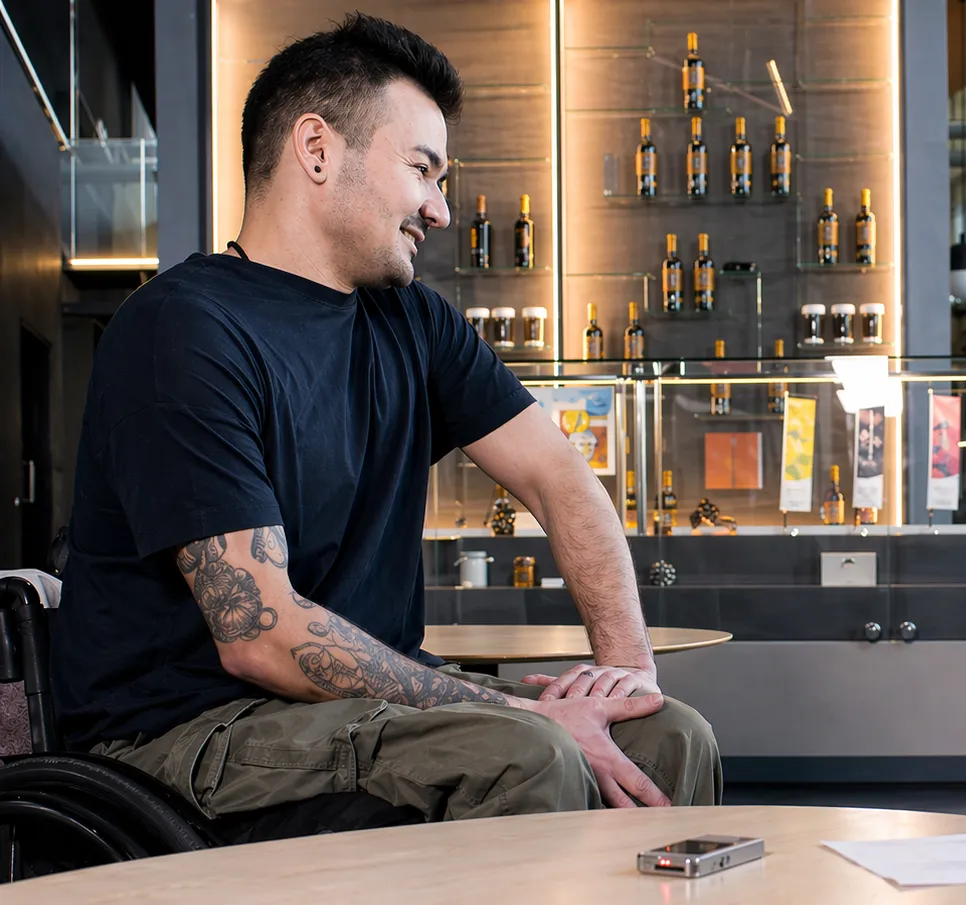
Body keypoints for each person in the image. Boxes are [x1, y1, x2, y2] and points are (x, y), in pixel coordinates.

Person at [50, 13, 719, 822]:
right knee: (524, 754)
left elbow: (557, 475)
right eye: (424, 171)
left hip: (354, 709)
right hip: (185, 734)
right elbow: (259, 634)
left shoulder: (412, 321)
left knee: (669, 735)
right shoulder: (183, 330)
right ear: (318, 149)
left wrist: (627, 676)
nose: (440, 209)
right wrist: (526, 712)